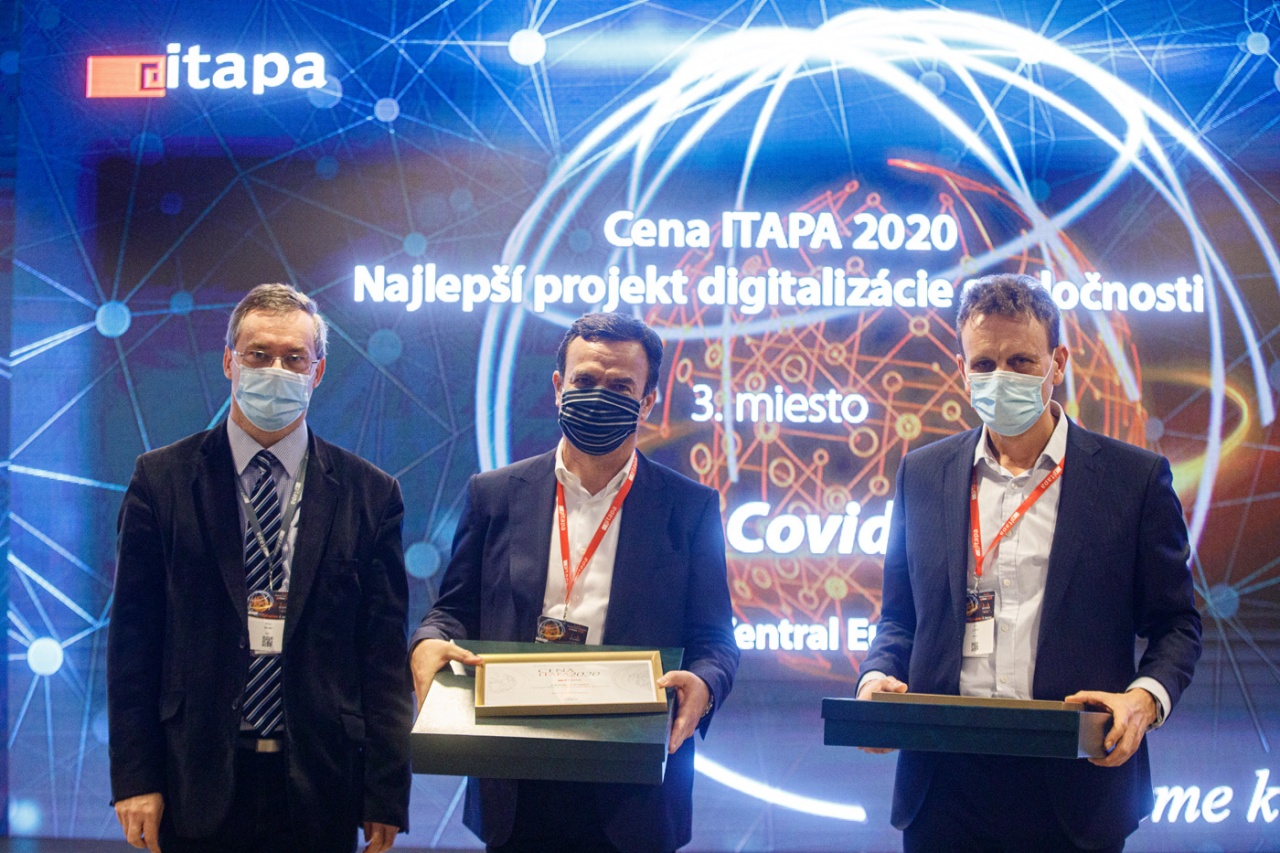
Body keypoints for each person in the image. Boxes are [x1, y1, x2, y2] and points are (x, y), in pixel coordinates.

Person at [858, 273, 1202, 852]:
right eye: (984, 363)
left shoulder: (1133, 480)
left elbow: (1177, 625)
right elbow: (900, 617)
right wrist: (876, 678)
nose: (1002, 378)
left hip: (1075, 782)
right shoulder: (922, 473)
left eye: (1021, 361)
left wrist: (1142, 702)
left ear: (1057, 363)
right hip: (943, 785)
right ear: (962, 369)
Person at [411, 312, 739, 853]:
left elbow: (716, 640)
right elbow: (452, 611)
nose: (598, 396)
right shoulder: (494, 493)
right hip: (514, 773)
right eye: (585, 380)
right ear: (559, 386)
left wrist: (704, 684)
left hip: (633, 787)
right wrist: (428, 641)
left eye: (620, 387)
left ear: (648, 402)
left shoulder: (689, 508)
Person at [108, 284, 412, 853]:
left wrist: (386, 793)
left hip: (321, 783)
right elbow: (133, 642)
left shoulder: (371, 495)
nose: (276, 370)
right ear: (230, 362)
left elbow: (382, 657)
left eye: (294, 358)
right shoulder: (161, 481)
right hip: (192, 777)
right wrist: (134, 777)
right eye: (258, 354)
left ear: (318, 371)